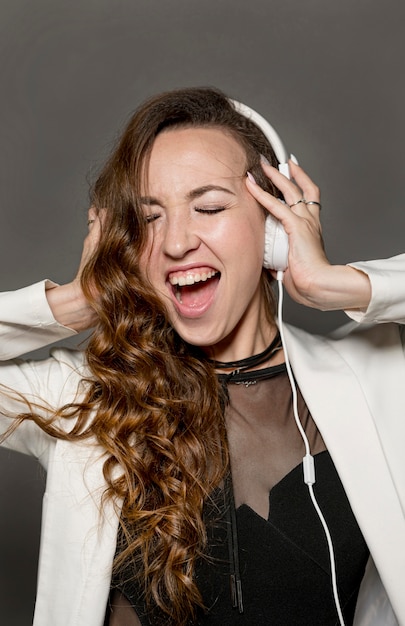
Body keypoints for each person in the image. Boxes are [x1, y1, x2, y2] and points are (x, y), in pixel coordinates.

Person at [0, 87, 404, 626]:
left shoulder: (376, 377)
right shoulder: (86, 396)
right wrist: (75, 302)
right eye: (150, 218)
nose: (175, 243)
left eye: (208, 206)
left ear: (274, 231)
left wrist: (335, 284)